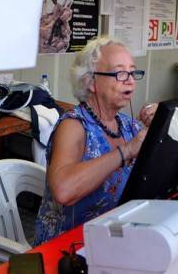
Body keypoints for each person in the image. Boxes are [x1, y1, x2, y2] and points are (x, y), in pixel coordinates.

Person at [34, 36, 157, 244]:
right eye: (120, 73)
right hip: (69, 246)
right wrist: (125, 152)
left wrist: (164, 125)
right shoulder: (73, 126)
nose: (130, 80)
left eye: (132, 72)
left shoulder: (128, 125)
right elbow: (63, 191)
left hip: (115, 237)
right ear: (90, 81)